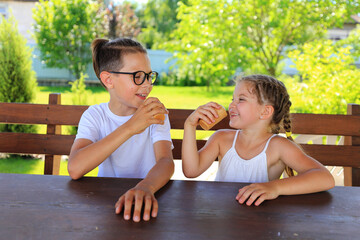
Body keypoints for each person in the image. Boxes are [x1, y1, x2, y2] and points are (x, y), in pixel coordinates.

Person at [182, 74, 335, 206]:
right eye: (232, 99)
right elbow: (191, 171)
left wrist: (274, 188)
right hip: (223, 214)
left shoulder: (278, 146)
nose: (231, 105)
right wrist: (189, 126)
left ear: (265, 111)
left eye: (241, 99)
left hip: (260, 219)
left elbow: (325, 178)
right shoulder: (221, 138)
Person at [67, 38, 174, 222]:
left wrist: (146, 187)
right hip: (107, 203)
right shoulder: (95, 115)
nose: (148, 84)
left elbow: (166, 161)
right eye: (137, 76)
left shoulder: (153, 113)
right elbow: (75, 168)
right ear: (109, 80)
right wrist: (131, 127)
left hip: (149, 197)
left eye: (149, 76)